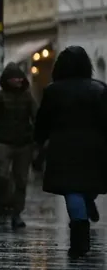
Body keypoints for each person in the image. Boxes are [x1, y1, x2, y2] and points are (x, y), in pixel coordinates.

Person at [34, 46, 107, 259]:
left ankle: (79, 242)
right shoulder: (100, 89)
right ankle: (88, 200)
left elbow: (43, 122)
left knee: (72, 190)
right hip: (94, 147)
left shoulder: (53, 91)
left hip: (63, 147)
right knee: (89, 184)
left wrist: (39, 143)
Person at [0, 63, 38, 230]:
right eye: (15, 78)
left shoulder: (27, 97)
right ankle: (3, 203)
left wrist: (37, 138)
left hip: (24, 143)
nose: (18, 80)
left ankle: (16, 213)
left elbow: (36, 116)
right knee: (2, 175)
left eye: (20, 78)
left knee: (21, 179)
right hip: (3, 142)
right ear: (7, 80)